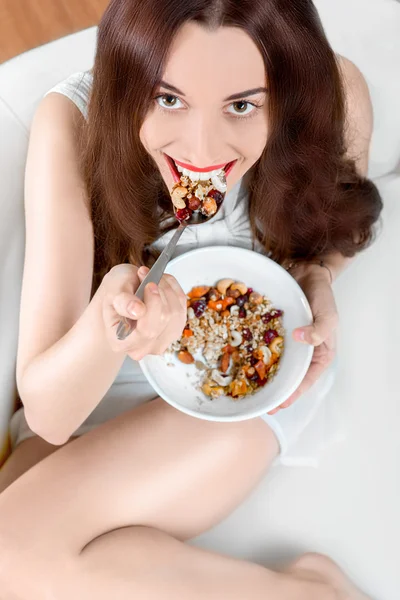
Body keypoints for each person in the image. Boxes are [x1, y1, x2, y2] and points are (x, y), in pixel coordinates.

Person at [0, 0, 381, 597]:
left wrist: (320, 281)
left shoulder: (334, 94)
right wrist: (110, 327)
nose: (202, 150)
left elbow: (334, 230)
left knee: (8, 554)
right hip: (99, 377)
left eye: (242, 105)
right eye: (168, 98)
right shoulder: (74, 124)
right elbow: (49, 415)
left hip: (250, 376)